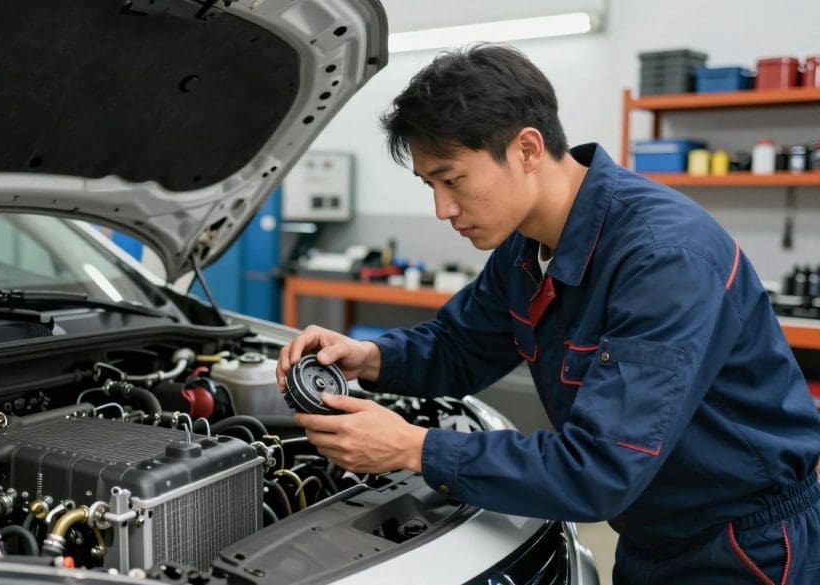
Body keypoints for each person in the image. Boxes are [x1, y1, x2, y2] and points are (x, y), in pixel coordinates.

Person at [275, 44, 820, 584]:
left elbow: (600, 467)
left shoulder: (663, 260)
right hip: (651, 533)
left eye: (453, 180)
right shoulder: (524, 247)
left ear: (528, 150)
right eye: (429, 186)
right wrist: (365, 357)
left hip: (744, 548)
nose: (442, 210)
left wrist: (415, 448)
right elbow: (459, 346)